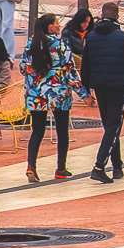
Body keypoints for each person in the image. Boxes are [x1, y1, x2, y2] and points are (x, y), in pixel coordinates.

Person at [78, 0, 124, 183]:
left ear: (101, 15)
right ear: (117, 17)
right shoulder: (122, 36)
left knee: (110, 126)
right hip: (118, 86)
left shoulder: (91, 37)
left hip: (99, 86)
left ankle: (117, 166)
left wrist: (85, 91)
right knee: (113, 127)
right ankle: (99, 166)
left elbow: (85, 66)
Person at [22, 12, 85, 182]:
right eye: (57, 23)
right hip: (59, 95)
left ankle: (31, 167)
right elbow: (71, 73)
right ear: (51, 27)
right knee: (62, 132)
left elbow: (24, 68)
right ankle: (61, 168)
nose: (59, 25)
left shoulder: (31, 44)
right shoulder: (61, 46)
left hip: (37, 96)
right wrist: (84, 94)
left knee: (37, 131)